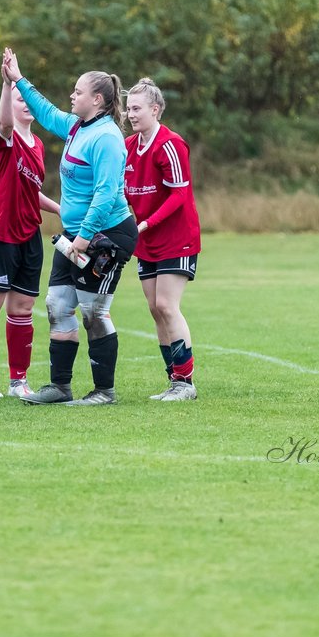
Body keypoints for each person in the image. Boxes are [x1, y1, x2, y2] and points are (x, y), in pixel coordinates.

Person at [1, 49, 137, 406]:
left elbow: (106, 193)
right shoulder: (78, 126)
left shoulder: (106, 137)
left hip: (106, 236)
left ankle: (104, 392)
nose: (72, 96)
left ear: (98, 99)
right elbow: (45, 112)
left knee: (94, 312)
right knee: (57, 304)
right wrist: (19, 78)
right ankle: (60, 387)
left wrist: (84, 236)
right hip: (76, 239)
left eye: (78, 92)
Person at [0, 51, 62, 399]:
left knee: (22, 309)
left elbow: (31, 192)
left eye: (26, 99)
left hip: (29, 235)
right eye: (18, 99)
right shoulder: (4, 138)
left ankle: (18, 381)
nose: (24, 104)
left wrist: (61, 210)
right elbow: (4, 122)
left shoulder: (37, 145)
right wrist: (8, 84)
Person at [124, 77, 202, 401]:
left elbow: (179, 194)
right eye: (128, 108)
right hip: (146, 242)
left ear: (155, 109)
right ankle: (173, 380)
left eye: (137, 108)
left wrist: (145, 224)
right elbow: (122, 192)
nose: (131, 114)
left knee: (167, 305)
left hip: (176, 238)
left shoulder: (169, 144)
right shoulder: (128, 147)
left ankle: (186, 383)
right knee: (155, 310)